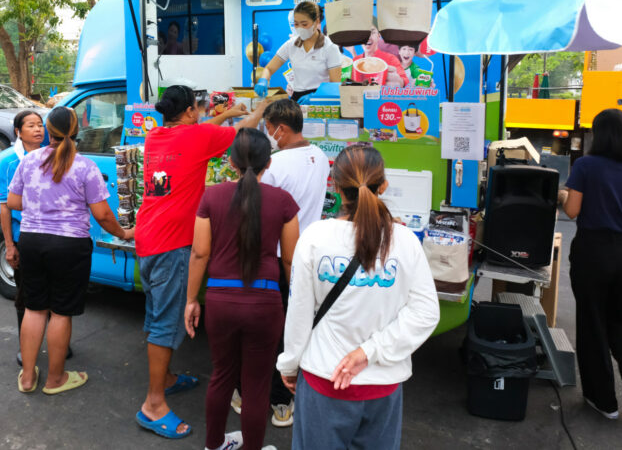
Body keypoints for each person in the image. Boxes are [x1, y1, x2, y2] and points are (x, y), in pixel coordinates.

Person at [277, 146, 439, 449]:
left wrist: (289, 364)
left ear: (335, 187)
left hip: (323, 379)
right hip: (383, 386)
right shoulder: (404, 241)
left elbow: (298, 313)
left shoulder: (314, 237)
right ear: (384, 186)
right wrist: (370, 351)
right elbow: (426, 313)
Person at [133, 85, 267, 439]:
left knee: (154, 311)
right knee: (165, 322)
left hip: (147, 237)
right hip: (174, 243)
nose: (203, 112)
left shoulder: (156, 136)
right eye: (199, 108)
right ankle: (153, 405)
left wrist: (225, 113)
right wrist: (262, 107)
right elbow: (246, 130)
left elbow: (205, 125)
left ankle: (169, 377)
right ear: (192, 112)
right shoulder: (198, 137)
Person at [185, 128, 300, 450]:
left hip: (220, 300)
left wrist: (192, 299)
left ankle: (214, 445)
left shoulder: (211, 196)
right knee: (257, 383)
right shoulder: (283, 201)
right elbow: (290, 259)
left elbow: (200, 253)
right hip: (265, 302)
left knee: (222, 375)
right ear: (269, 163)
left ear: (231, 162)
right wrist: (296, 301)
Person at [7, 107, 133, 395]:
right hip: (69, 246)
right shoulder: (85, 166)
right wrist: (124, 233)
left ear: (49, 132)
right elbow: (102, 214)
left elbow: (13, 202)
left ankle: (27, 378)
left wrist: (42, 204)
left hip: (32, 241)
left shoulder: (28, 161)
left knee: (34, 308)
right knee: (61, 312)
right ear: (78, 132)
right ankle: (55, 379)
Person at [229, 98, 329, 428]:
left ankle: (245, 392)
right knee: (292, 331)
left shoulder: (278, 164)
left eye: (268, 129)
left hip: (272, 259)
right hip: (304, 260)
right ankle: (282, 402)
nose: (267, 135)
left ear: (281, 129)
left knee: (260, 332)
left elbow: (252, 206)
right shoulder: (321, 158)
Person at [558, 108, 622, 419]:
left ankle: (604, 402)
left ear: (599, 134)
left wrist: (562, 195)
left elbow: (572, 210)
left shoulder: (586, 166)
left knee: (593, 324)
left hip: (592, 254)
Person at [0, 109, 63, 366]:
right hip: (24, 237)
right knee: (26, 296)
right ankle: (26, 347)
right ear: (18, 131)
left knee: (55, 291)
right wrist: (9, 245)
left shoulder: (53, 156)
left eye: (41, 125)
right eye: (31, 125)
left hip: (52, 236)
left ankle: (58, 341)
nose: (38, 130)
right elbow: (5, 206)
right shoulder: (9, 163)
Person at [256, 2, 342, 102]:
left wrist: (314, 98)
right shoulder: (291, 44)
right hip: (297, 98)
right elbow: (269, 68)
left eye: (304, 24)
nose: (300, 28)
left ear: (316, 21)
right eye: (296, 24)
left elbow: (334, 85)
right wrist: (263, 80)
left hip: (321, 98)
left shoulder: (330, 47)